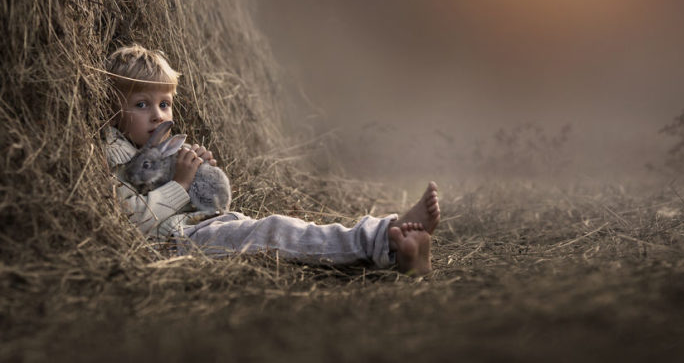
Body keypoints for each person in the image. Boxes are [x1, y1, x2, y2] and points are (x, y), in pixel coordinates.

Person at [104, 45, 440, 275]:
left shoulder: (159, 147)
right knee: (275, 232)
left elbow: (203, 198)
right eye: (141, 104)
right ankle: (384, 238)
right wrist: (181, 184)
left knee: (286, 235)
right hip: (175, 244)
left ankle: (394, 249)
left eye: (164, 104)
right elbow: (134, 220)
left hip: (200, 227)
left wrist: (198, 174)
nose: (157, 116)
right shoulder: (114, 157)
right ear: (113, 108)